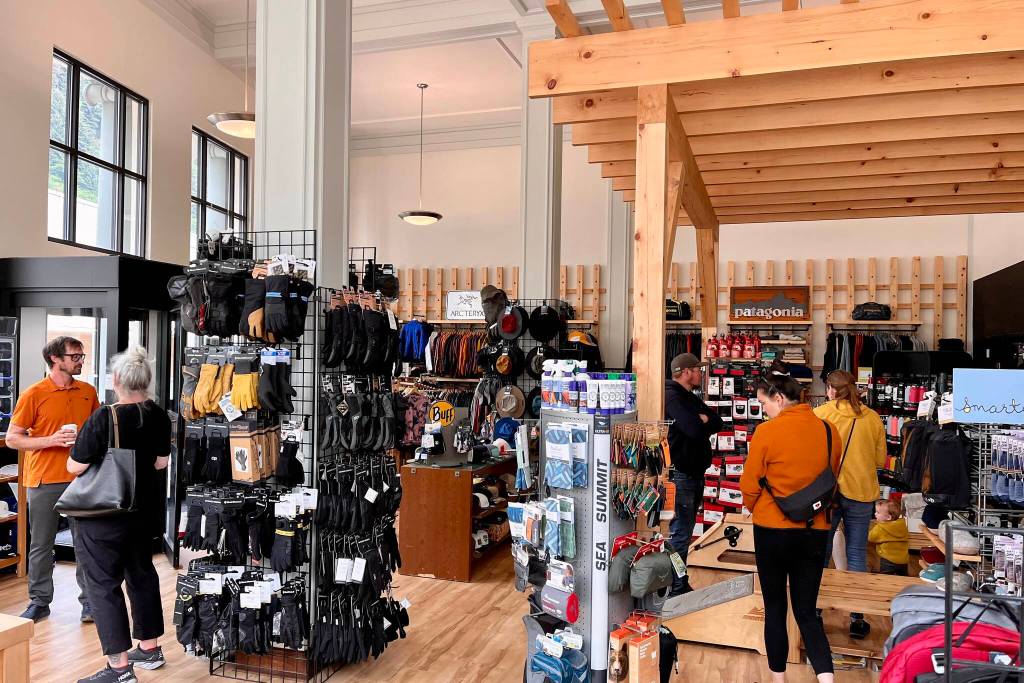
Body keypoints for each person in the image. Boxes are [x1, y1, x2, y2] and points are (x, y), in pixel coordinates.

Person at [67, 346, 170, 683]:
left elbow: (75, 466)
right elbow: (161, 463)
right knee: (141, 574)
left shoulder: (104, 416)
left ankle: (120, 669)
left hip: (104, 516)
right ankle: (150, 649)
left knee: (102, 585)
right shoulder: (158, 415)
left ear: (116, 381)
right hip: (142, 514)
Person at [739, 375, 841, 683]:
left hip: (772, 529)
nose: (763, 410)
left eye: (763, 403)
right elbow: (830, 476)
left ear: (779, 398)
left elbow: (749, 483)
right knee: (807, 612)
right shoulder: (828, 430)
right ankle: (827, 680)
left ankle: (778, 680)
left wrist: (756, 506)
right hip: (816, 528)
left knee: (775, 607)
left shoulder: (767, 432)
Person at [6, 336, 98, 623]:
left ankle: (90, 603)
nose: (80, 360)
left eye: (82, 356)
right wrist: (51, 440)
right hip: (44, 479)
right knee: (41, 544)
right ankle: (39, 601)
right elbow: (13, 439)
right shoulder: (33, 394)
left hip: (82, 478)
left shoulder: (87, 391)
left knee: (86, 543)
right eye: (75, 356)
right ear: (55, 359)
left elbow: (97, 430)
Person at [813, 369, 887, 639]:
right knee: (856, 552)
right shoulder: (873, 418)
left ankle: (816, 612)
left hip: (827, 493)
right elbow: (880, 461)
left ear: (831, 390)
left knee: (821, 552)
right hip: (862, 491)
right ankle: (857, 617)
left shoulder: (821, 414)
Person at [664, 352, 723, 596]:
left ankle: (678, 583)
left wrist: (704, 420)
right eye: (698, 369)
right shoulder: (672, 397)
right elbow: (694, 430)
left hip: (692, 474)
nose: (701, 373)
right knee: (681, 533)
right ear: (686, 372)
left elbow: (718, 422)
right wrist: (702, 422)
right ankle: (676, 587)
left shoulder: (688, 396)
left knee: (683, 532)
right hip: (682, 476)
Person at [869, 499, 909, 576]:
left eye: (878, 512)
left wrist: (875, 526)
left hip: (888, 559)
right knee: (903, 576)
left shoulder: (880, 528)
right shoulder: (902, 525)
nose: (875, 514)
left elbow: (871, 537)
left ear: (888, 517)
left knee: (885, 576)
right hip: (903, 559)